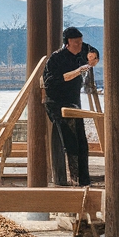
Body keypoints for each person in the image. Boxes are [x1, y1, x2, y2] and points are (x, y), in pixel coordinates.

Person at [43, 26, 100, 186]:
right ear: (67, 43)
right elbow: (51, 83)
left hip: (74, 102)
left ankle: (84, 180)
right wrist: (77, 71)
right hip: (57, 102)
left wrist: (94, 57)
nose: (80, 46)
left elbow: (93, 52)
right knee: (71, 142)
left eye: (81, 42)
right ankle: (73, 178)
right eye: (76, 43)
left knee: (82, 141)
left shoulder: (82, 49)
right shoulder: (56, 58)